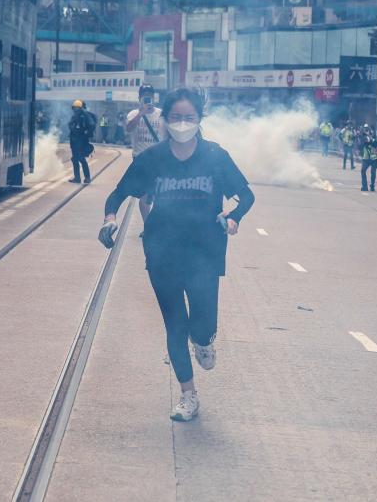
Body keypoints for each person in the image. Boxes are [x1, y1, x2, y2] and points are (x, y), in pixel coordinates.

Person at [98, 87, 255, 422]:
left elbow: (246, 196)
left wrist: (232, 217)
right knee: (174, 326)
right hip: (162, 251)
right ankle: (188, 395)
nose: (182, 123)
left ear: (199, 119)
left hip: (205, 252)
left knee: (202, 325)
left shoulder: (215, 156)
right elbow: (117, 196)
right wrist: (110, 221)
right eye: (176, 117)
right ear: (165, 119)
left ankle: (204, 341)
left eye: (189, 117)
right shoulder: (153, 159)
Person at [126, 84, 166, 233]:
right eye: (145, 95)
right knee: (144, 195)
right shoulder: (133, 114)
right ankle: (148, 226)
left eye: (150, 94)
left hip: (159, 159)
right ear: (139, 97)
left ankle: (156, 224)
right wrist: (140, 113)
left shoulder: (162, 114)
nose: (148, 97)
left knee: (160, 195)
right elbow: (129, 128)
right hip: (140, 160)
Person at [68, 99, 94, 184]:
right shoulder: (74, 117)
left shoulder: (85, 116)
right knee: (75, 159)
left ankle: (87, 177)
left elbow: (91, 125)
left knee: (81, 158)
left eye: (77, 108)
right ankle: (77, 178)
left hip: (81, 141)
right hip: (74, 141)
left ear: (80, 108)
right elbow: (71, 126)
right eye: (74, 108)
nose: (75, 110)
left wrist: (85, 135)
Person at [359, 124, 377, 192]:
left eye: (367, 129)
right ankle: (364, 186)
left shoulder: (374, 139)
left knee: (373, 172)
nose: (366, 130)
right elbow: (362, 144)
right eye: (365, 129)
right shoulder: (363, 137)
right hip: (366, 158)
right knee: (363, 170)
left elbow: (376, 146)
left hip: (374, 158)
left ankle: (372, 185)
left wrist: (369, 136)